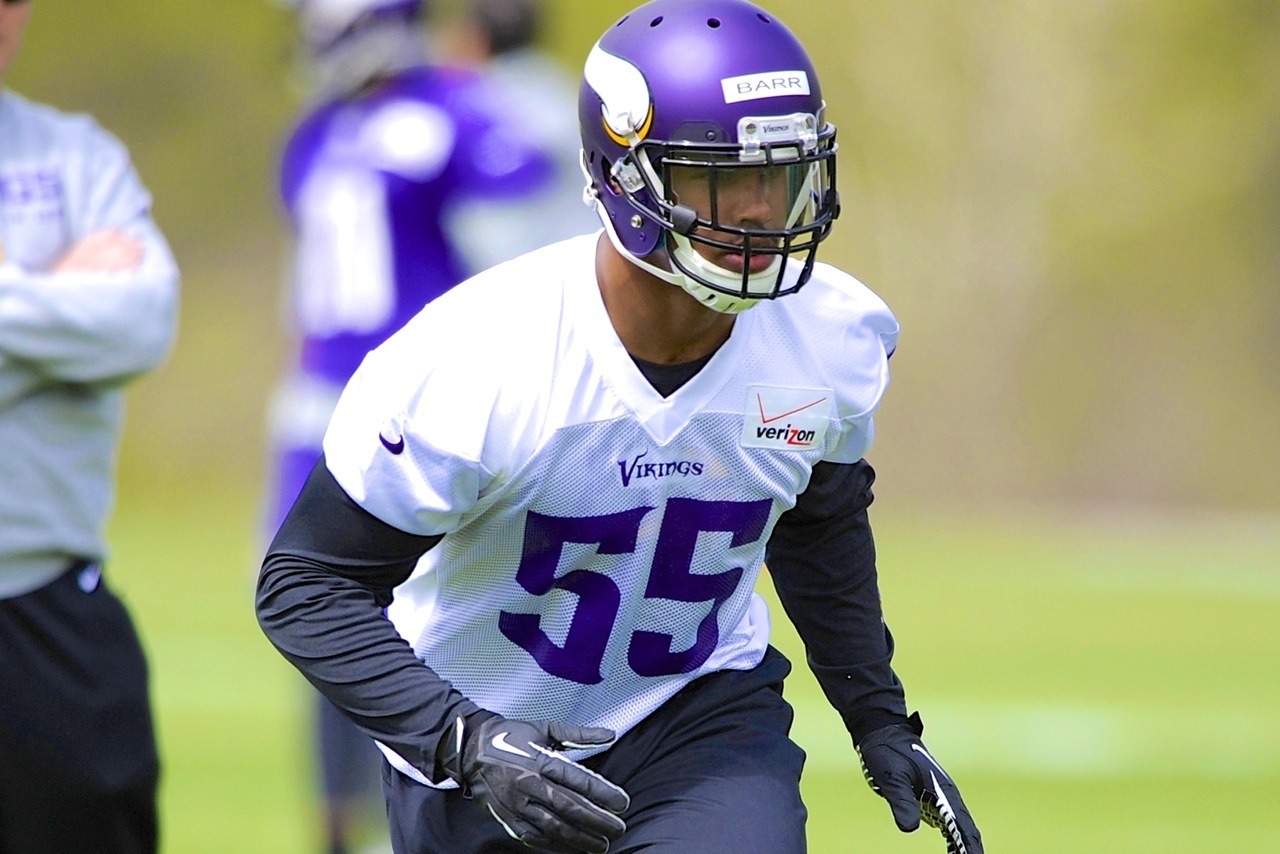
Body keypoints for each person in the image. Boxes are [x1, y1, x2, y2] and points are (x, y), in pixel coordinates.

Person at [257, 1, 984, 852]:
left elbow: (818, 520)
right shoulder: (476, 358)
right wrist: (462, 738)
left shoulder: (830, 335)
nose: (760, 212)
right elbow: (306, 585)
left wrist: (878, 717)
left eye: (779, 176)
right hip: (482, 747)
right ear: (626, 178)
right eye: (724, 179)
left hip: (698, 722)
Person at [266, 2, 557, 852]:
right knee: (443, 618)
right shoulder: (449, 113)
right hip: (419, 406)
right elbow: (536, 210)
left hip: (313, 401)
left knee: (322, 616)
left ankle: (337, 830)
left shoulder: (315, 138)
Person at [0, 1, 180, 852]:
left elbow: (141, 321)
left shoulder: (75, 155)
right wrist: (54, 293)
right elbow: (94, 323)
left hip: (48, 608)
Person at [438, 0, 599, 270]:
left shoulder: (461, 105)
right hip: (580, 267)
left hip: (492, 277)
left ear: (478, 38)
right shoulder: (566, 89)